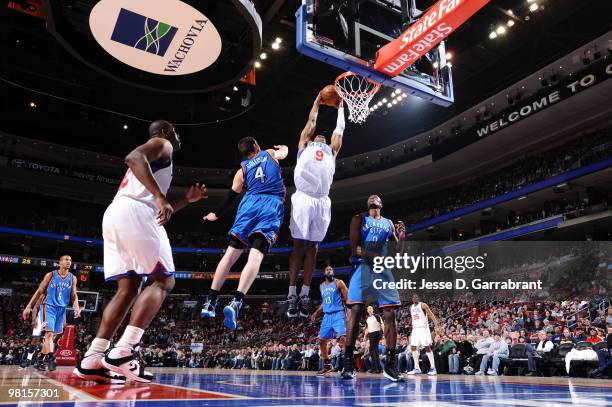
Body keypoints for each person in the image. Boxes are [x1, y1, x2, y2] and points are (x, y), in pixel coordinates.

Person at [73, 120, 207, 384]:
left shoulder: (154, 165)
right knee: (165, 280)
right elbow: (133, 157)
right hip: (135, 212)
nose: (177, 137)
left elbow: (158, 211)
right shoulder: (163, 143)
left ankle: (93, 357)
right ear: (166, 131)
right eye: (176, 131)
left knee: (129, 288)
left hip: (116, 213)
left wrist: (183, 201)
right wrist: (160, 196)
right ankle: (124, 350)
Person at [201, 138, 288, 330]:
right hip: (271, 205)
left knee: (230, 255)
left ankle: (210, 300)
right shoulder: (269, 154)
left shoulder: (242, 170)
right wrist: (282, 148)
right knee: (255, 256)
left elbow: (231, 196)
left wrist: (215, 214)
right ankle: (237, 300)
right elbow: (284, 152)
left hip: (248, 205)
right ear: (256, 146)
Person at [287, 94, 345, 318]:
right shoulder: (304, 145)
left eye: (324, 135)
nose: (321, 135)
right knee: (298, 246)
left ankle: (304, 294)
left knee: (313, 248)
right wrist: (316, 103)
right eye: (318, 134)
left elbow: (340, 129)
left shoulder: (332, 150)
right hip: (303, 197)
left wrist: (341, 108)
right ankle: (291, 293)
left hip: (322, 200)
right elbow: (311, 123)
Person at [340, 195, 406, 382]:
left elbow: (397, 251)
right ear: (367, 204)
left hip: (382, 269)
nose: (372, 197)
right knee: (355, 310)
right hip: (363, 267)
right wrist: (376, 255)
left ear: (381, 204)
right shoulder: (359, 219)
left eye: (376, 197)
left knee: (390, 314)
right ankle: (348, 363)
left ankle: (391, 366)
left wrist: (402, 236)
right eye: (369, 198)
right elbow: (355, 249)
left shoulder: (389, 223)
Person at [22, 255, 80, 372]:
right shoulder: (51, 275)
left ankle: (40, 359)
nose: (69, 262)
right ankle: (51, 358)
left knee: (51, 338)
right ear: (60, 263)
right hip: (48, 307)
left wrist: (76, 306)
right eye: (66, 260)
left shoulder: (73, 278)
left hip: (61, 309)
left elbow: (74, 295)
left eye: (70, 260)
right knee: (46, 335)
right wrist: (28, 306)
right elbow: (39, 291)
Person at [310, 266, 348, 376]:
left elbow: (348, 297)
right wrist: (316, 312)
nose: (329, 271)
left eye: (331, 270)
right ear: (324, 273)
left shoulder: (339, 282)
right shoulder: (321, 286)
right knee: (321, 341)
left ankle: (349, 366)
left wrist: (350, 312)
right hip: (327, 316)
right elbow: (324, 303)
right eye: (327, 270)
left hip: (338, 313)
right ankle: (327, 366)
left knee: (343, 338)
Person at [407, 294, 440, 376]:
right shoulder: (411, 307)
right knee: (413, 347)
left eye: (417, 297)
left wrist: (437, 326)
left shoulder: (423, 305)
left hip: (423, 328)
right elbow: (414, 317)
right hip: (415, 329)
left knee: (427, 347)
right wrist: (410, 323)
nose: (415, 298)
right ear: (412, 299)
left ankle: (433, 368)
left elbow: (431, 315)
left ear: (419, 298)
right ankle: (417, 368)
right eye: (414, 298)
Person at [363, 306, 383, 374]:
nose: (369, 310)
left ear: (373, 310)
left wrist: (383, 333)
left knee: (372, 349)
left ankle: (375, 368)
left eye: (370, 309)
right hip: (371, 334)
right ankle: (378, 368)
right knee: (375, 350)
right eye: (368, 309)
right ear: (367, 310)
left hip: (376, 333)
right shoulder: (368, 319)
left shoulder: (377, 316)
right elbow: (367, 328)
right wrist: (364, 336)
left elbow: (382, 324)